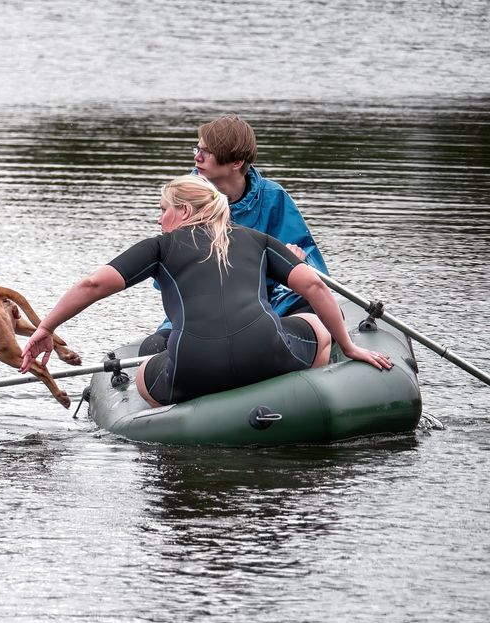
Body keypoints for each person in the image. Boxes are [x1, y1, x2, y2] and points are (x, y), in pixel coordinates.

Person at [20, 175, 391, 407]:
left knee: (145, 369)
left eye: (163, 209)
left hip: (193, 369)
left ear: (183, 210)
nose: (158, 218)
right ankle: (302, 391)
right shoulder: (257, 239)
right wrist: (351, 344)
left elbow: (93, 284)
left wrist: (45, 328)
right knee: (315, 324)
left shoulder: (158, 248)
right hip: (269, 353)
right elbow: (312, 284)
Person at [144, 114, 328, 354]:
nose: (196, 157)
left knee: (317, 313)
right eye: (197, 149)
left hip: (268, 305)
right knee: (153, 348)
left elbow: (313, 269)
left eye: (206, 152)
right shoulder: (183, 198)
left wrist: (294, 262)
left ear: (236, 162)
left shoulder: (273, 196)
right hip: (200, 313)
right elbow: (165, 274)